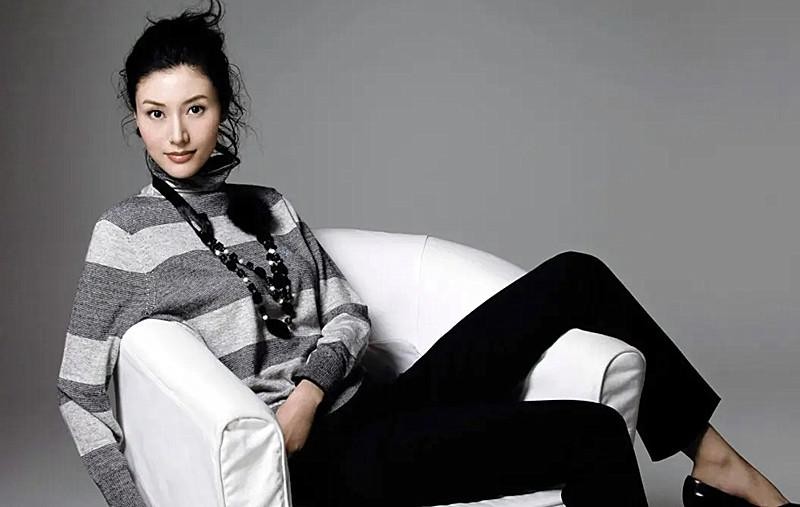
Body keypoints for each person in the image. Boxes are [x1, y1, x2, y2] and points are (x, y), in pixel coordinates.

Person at [56, 1, 796, 506]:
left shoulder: (270, 205)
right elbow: (78, 395)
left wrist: (308, 395)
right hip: (317, 464)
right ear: (136, 120)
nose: (177, 134)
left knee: (578, 274)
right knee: (595, 432)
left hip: (366, 406)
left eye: (195, 109)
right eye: (155, 114)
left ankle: (716, 463)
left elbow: (349, 314)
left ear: (223, 111)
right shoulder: (126, 233)